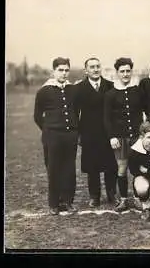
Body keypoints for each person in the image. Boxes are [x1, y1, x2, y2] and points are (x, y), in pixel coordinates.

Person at [34, 57, 79, 215]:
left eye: (67, 70)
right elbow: (37, 116)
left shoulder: (73, 90)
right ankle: (54, 203)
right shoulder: (44, 91)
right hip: (52, 136)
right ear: (54, 71)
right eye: (60, 70)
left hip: (70, 135)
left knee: (69, 169)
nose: (64, 73)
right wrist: (48, 129)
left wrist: (74, 131)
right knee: (53, 168)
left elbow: (77, 111)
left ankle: (67, 201)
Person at [75, 57, 118, 208]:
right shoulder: (79, 88)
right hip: (89, 133)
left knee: (111, 165)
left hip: (108, 133)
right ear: (86, 70)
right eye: (92, 67)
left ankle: (112, 193)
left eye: (98, 66)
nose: (95, 69)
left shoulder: (110, 86)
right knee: (92, 166)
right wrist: (79, 134)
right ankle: (95, 196)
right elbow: (75, 113)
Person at [104, 57, 144, 212]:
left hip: (136, 136)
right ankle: (123, 200)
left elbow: (144, 112)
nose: (125, 74)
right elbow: (106, 118)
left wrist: (142, 134)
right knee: (122, 168)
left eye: (128, 71)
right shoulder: (110, 94)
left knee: (136, 169)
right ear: (117, 73)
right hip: (119, 137)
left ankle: (137, 198)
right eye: (122, 71)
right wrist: (112, 136)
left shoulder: (137, 91)